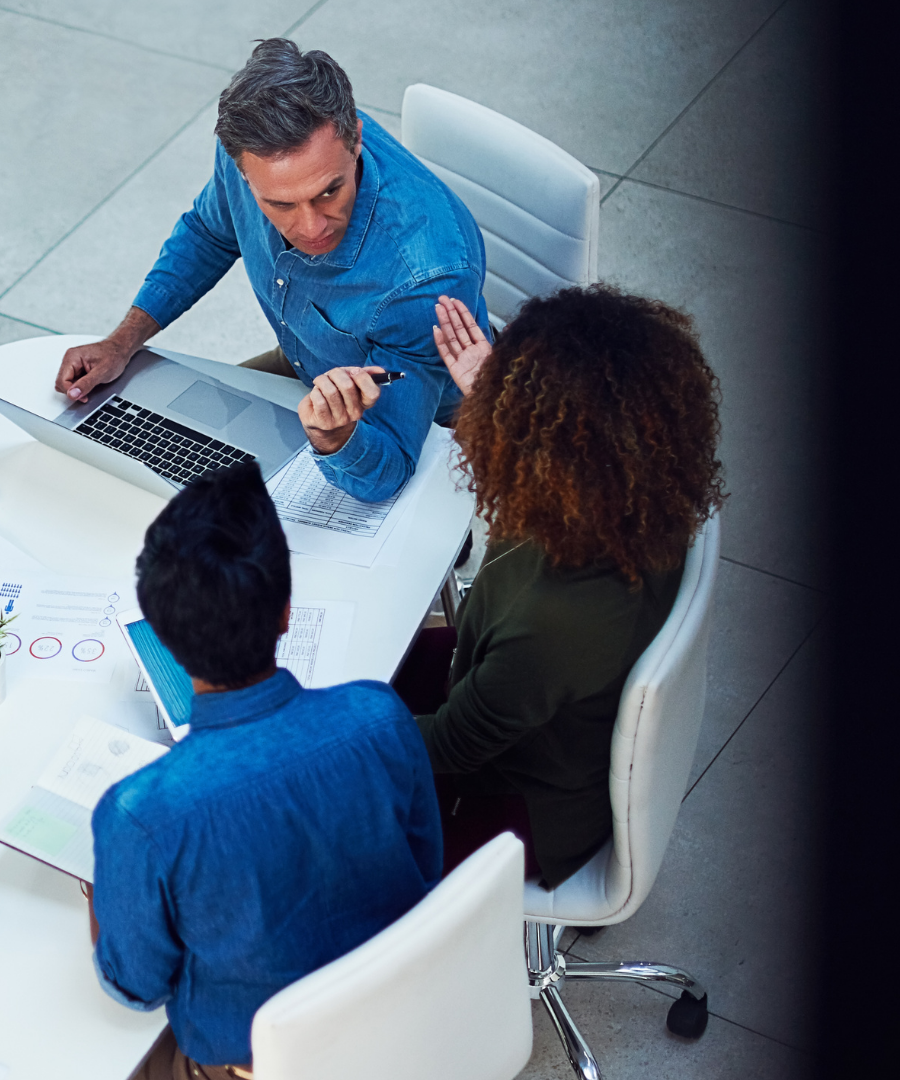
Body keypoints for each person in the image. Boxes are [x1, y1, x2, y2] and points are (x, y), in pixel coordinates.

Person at [90, 462, 443, 1077]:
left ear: (165, 643)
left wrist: (101, 899)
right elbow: (425, 868)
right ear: (286, 612)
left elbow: (137, 988)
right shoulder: (379, 716)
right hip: (400, 1025)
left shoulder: (140, 816)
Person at [55, 39, 487, 503]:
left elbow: (388, 470)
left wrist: (335, 439)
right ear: (244, 170)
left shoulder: (424, 279)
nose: (311, 227)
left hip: (413, 412)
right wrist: (122, 342)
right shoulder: (248, 150)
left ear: (356, 137)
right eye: (279, 204)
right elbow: (208, 233)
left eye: (329, 192)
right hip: (310, 360)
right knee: (159, 455)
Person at [396, 285, 726, 889]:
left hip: (523, 806)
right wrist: (501, 403)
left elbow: (448, 747)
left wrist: (320, 750)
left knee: (317, 829)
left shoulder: (554, 620)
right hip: (539, 712)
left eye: (510, 409)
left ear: (555, 453)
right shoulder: (643, 497)